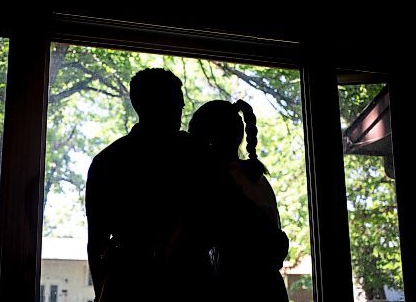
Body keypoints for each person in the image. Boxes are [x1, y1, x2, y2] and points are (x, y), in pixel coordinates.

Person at [85, 68, 218, 302]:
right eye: (176, 102)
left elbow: (96, 243)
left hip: (129, 283)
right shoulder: (197, 155)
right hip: (189, 283)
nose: (182, 108)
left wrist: (102, 293)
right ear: (151, 105)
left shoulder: (108, 160)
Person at [189, 99, 289, 301]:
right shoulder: (256, 175)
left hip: (237, 287)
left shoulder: (217, 181)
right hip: (270, 288)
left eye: (195, 139)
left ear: (208, 140)